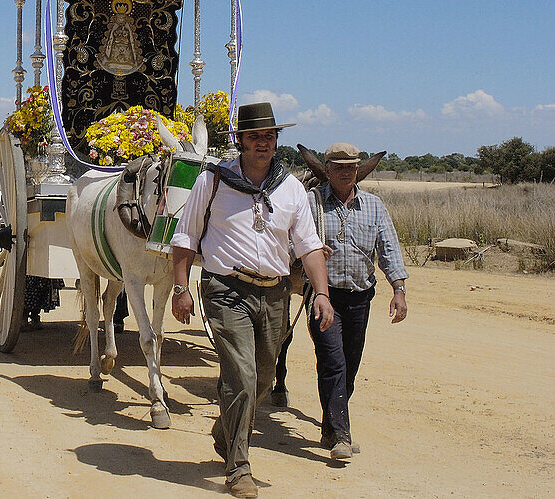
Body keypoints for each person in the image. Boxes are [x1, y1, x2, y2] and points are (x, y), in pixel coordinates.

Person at [169, 102, 335, 499]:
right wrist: (180, 287)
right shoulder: (214, 181)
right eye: (255, 136)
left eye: (270, 136)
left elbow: (309, 245)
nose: (263, 143)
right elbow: (186, 236)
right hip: (226, 290)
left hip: (275, 293)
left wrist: (323, 294)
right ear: (240, 141)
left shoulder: (291, 188)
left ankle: (225, 430)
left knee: (261, 378)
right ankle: (239, 468)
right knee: (241, 375)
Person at [307, 142, 408, 460]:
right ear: (327, 170)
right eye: (339, 166)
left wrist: (399, 288)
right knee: (333, 361)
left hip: (360, 299)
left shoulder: (375, 206)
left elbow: (388, 246)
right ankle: (340, 434)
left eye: (351, 167)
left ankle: (331, 425)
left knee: (349, 366)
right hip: (324, 296)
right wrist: (307, 252)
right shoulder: (311, 204)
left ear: (358, 170)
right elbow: (292, 240)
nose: (346, 172)